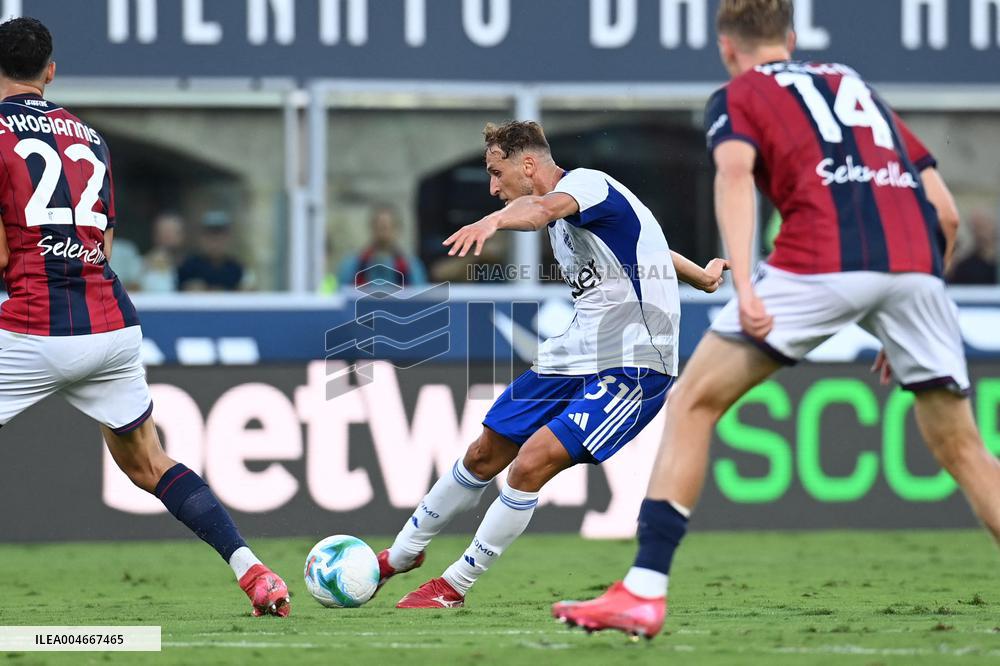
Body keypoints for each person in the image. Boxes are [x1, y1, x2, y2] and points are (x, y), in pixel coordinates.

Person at [553, 0, 1000, 639]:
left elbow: (735, 177)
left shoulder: (739, 94)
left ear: (726, 47)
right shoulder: (852, 83)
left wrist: (746, 283)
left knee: (694, 401)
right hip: (915, 269)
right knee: (964, 449)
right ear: (790, 37)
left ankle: (644, 590)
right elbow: (945, 212)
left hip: (817, 260)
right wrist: (906, 309)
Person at [0, 18, 289, 616]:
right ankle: (253, 570)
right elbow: (102, 246)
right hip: (110, 326)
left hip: (32, 325)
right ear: (50, 72)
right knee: (150, 463)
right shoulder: (90, 138)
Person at [376, 120, 729, 609]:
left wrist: (493, 222)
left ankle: (454, 584)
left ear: (527, 164)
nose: (493, 188)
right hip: (575, 352)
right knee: (483, 453)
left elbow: (540, 209)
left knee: (530, 463)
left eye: (496, 173)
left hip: (635, 363)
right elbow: (649, 246)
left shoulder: (587, 184)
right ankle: (400, 554)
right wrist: (702, 279)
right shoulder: (573, 220)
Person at [336, 204, 428, 289]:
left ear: (398, 230)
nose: (383, 233)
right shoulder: (352, 264)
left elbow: (418, 296)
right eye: (379, 227)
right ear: (372, 228)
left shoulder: (412, 267)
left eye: (387, 227)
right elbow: (342, 293)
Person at [177, 210, 245, 291]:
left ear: (228, 239)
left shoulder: (236, 269)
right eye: (210, 237)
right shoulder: (188, 267)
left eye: (220, 237)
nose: (215, 242)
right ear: (201, 239)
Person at [948, 210, 998, 285]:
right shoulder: (964, 266)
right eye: (977, 227)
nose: (981, 232)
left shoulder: (995, 261)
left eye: (984, 226)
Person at [141, 212, 186, 293]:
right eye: (163, 232)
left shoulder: (193, 265)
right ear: (155, 236)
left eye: (172, 232)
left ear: (182, 235)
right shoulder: (143, 265)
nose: (167, 236)